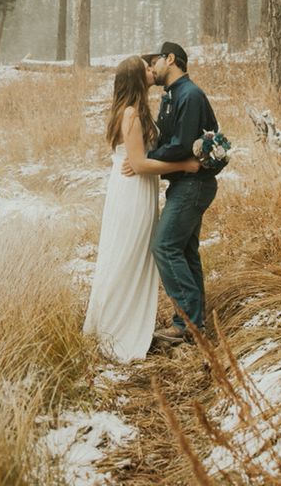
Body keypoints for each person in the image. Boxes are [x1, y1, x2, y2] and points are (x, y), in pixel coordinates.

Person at [83, 55, 200, 362]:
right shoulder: (131, 114)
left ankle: (126, 322)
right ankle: (117, 330)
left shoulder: (136, 110)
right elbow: (138, 164)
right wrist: (185, 165)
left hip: (138, 190)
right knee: (128, 257)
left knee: (132, 257)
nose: (152, 71)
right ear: (137, 77)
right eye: (146, 69)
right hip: (132, 194)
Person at [123, 41, 222, 346]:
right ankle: (195, 326)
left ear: (171, 59)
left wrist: (144, 161)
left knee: (165, 247)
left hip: (195, 185)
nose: (151, 69)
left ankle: (187, 325)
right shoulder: (171, 96)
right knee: (185, 252)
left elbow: (180, 144)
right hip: (183, 183)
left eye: (154, 63)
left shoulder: (189, 95)